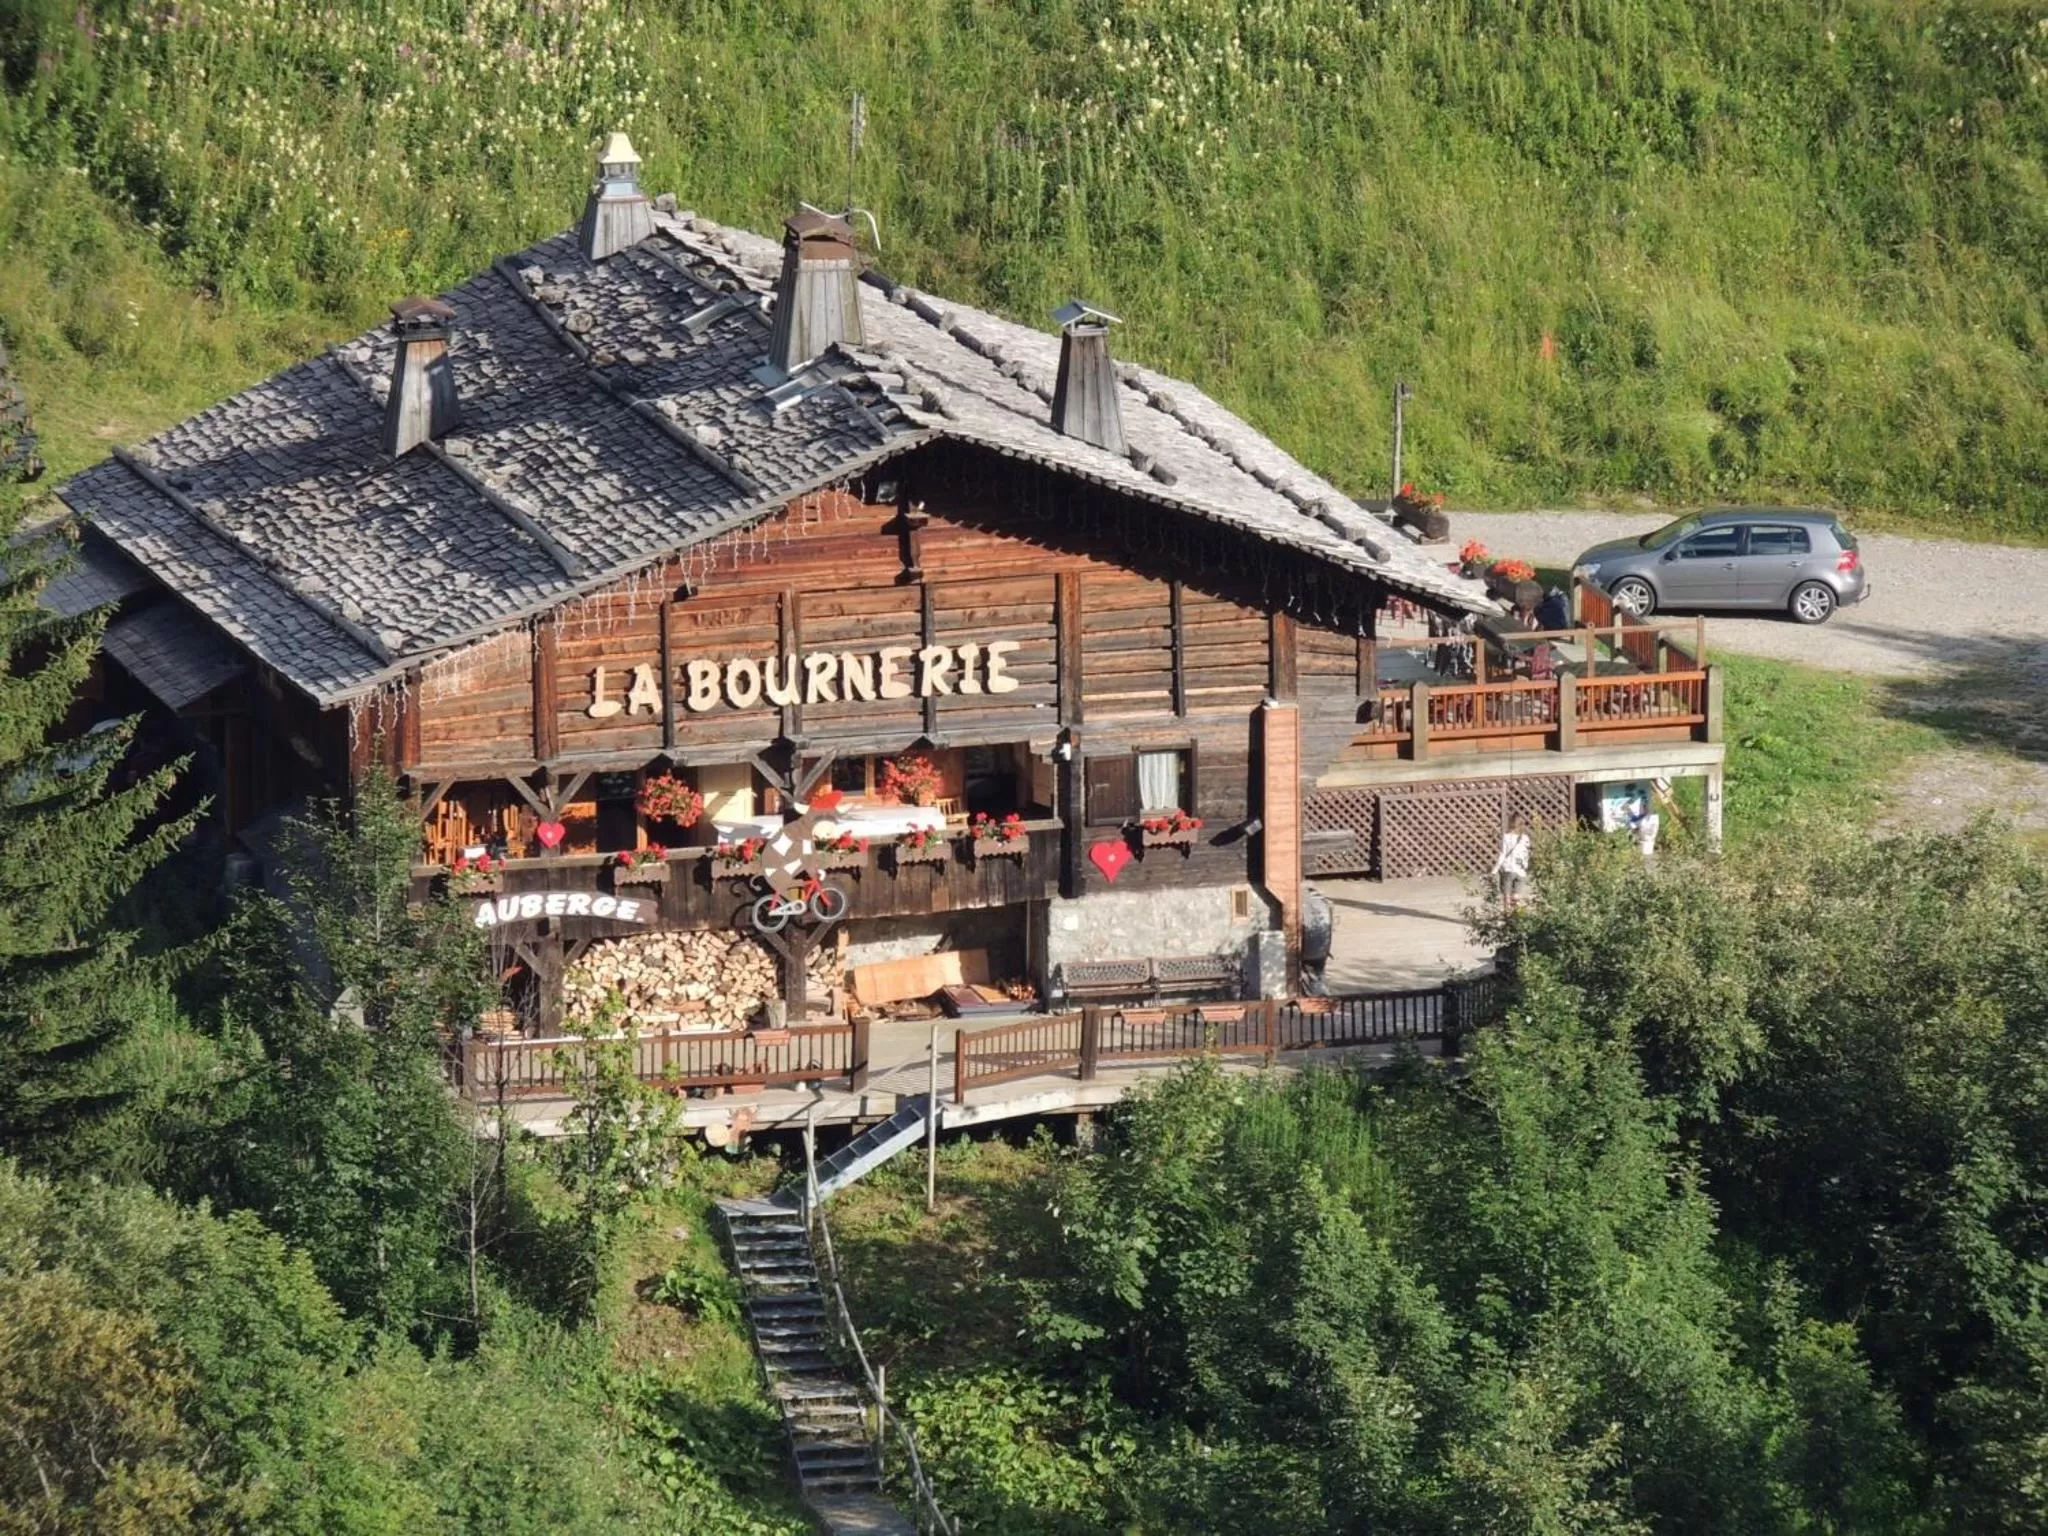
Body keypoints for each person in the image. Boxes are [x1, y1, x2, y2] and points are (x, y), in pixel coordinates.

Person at [1492, 814, 1532, 912]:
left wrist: (1495, 869)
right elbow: (1527, 853)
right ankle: (1518, 913)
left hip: (1509, 868)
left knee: (1506, 894)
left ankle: (1508, 913)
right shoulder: (1525, 838)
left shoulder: (1507, 837)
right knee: (1516, 894)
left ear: (1510, 824)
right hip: (1521, 870)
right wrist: (1525, 866)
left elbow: (1503, 854)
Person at [1627, 790, 1661, 863]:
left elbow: (1633, 825)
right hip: (1649, 838)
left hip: (1645, 838)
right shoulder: (1654, 817)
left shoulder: (1644, 820)